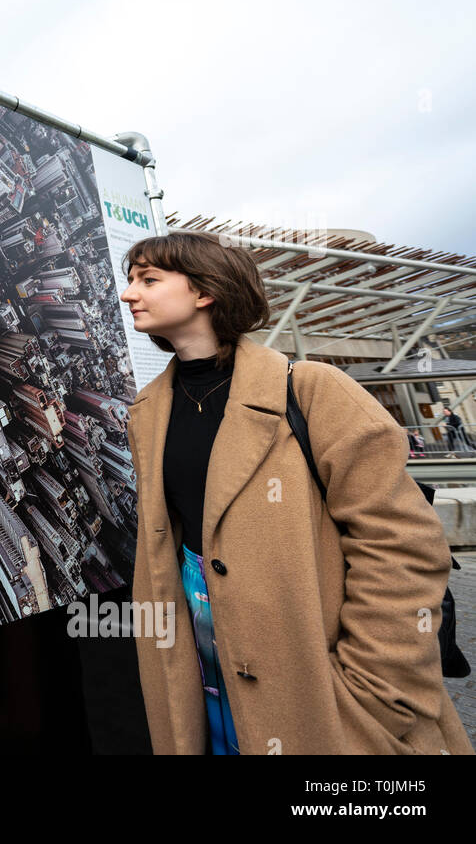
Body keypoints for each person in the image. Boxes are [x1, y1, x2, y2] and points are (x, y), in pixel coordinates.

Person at [119, 230, 473, 755]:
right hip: (199, 668)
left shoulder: (312, 389)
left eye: (148, 279)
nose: (129, 294)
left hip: (320, 682)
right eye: (130, 281)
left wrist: (375, 688)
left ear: (205, 292)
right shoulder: (147, 411)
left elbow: (402, 544)